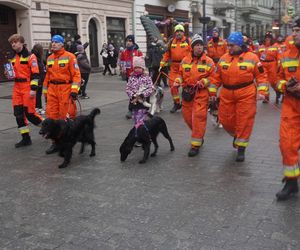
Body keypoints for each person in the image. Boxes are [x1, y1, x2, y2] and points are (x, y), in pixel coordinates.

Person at [208, 31, 269, 162]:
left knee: (244, 121)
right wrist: (212, 93)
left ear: (240, 45)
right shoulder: (224, 58)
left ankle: (241, 148)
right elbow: (215, 78)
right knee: (224, 119)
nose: (228, 48)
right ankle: (236, 135)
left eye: (231, 45)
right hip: (227, 94)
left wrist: (262, 92)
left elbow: (261, 76)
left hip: (246, 93)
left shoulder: (252, 58)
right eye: (228, 45)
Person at [175, 34, 215, 157]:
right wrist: (178, 81)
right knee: (188, 118)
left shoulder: (209, 61)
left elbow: (213, 77)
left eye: (201, 45)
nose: (199, 48)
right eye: (196, 45)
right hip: (187, 93)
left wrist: (204, 82)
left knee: (198, 118)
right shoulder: (185, 60)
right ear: (192, 47)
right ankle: (198, 134)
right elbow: (180, 74)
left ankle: (195, 145)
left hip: (201, 94)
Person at [275, 18, 300, 200]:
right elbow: (276, 79)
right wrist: (286, 86)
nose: (295, 34)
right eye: (295, 30)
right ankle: (291, 183)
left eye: (298, 31)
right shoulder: (286, 54)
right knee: (286, 143)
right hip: (291, 107)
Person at [43, 35, 81, 154]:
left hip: (65, 89)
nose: (53, 44)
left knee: (65, 117)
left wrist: (74, 90)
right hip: (53, 90)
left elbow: (76, 75)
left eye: (56, 42)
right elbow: (47, 77)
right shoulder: (49, 58)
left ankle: (67, 142)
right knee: (51, 116)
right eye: (52, 42)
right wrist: (45, 94)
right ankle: (55, 143)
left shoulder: (70, 57)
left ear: (62, 44)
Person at [6, 34, 43, 148]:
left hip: (27, 87)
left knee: (30, 114)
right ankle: (26, 138)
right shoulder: (12, 57)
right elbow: (11, 73)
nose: (13, 44)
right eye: (12, 43)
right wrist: (8, 74)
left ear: (22, 43)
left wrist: (33, 89)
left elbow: (35, 74)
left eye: (15, 42)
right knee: (18, 115)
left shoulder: (30, 56)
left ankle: (50, 127)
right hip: (17, 87)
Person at [160, 24, 191, 113]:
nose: (178, 33)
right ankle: (177, 103)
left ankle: (187, 103)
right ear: (174, 33)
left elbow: (193, 54)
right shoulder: (171, 42)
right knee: (173, 85)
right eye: (177, 31)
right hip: (174, 67)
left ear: (183, 32)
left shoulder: (188, 41)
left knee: (186, 86)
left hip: (185, 67)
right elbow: (167, 54)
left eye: (180, 31)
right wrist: (162, 64)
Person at [126, 56, 154, 126]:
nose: (137, 69)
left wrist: (143, 94)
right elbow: (128, 88)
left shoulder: (147, 77)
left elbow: (151, 88)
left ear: (143, 68)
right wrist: (132, 95)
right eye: (136, 68)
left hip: (143, 100)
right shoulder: (131, 77)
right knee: (136, 117)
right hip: (134, 101)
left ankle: (141, 128)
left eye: (139, 68)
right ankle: (138, 129)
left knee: (142, 117)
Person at [120, 35, 143, 119]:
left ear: (133, 42)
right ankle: (135, 108)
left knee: (135, 93)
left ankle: (131, 109)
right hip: (129, 76)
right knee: (132, 93)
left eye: (130, 41)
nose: (128, 42)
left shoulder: (137, 52)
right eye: (127, 41)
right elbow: (122, 61)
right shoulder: (124, 52)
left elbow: (142, 63)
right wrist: (122, 68)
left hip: (137, 75)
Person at [257, 31, 280, 103]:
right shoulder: (261, 47)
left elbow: (279, 57)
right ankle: (266, 97)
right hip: (263, 65)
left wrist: (279, 66)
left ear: (271, 39)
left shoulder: (276, 46)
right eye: (266, 38)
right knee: (265, 81)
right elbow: (258, 58)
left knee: (273, 81)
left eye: (269, 38)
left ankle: (277, 92)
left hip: (272, 64)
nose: (267, 39)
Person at [31, 43, 46, 115]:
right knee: (38, 94)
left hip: (40, 78)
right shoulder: (35, 58)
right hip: (38, 79)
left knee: (39, 94)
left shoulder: (39, 58)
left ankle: (38, 107)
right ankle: (38, 108)